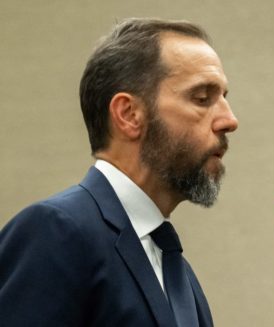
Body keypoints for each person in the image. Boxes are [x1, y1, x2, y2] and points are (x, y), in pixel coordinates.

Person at [0, 18, 238, 326]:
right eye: (202, 98)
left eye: (224, 98)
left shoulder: (179, 272)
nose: (229, 120)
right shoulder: (55, 232)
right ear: (129, 115)